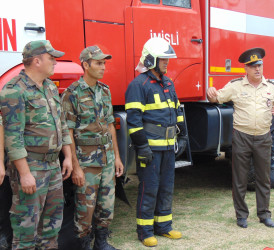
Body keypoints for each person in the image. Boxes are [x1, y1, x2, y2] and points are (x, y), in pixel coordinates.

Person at [0, 40, 73, 249]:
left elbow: (61, 123)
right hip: (31, 167)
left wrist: (67, 156)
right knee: (26, 230)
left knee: (51, 227)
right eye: (52, 58)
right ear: (37, 60)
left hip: (53, 166)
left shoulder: (49, 87)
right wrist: (24, 174)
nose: (55, 63)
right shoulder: (14, 90)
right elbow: (13, 137)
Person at [207, 48, 274, 229]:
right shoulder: (236, 86)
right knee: (240, 178)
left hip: (263, 138)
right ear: (246, 69)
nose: (257, 69)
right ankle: (241, 216)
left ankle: (264, 214)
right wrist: (210, 93)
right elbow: (216, 98)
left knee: (264, 178)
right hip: (242, 137)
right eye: (253, 66)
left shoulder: (271, 88)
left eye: (259, 65)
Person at [125, 37, 187, 247]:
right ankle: (145, 231)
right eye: (163, 59)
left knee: (166, 187)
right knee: (149, 188)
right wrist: (142, 147)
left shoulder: (168, 83)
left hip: (168, 147)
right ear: (151, 60)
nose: (167, 63)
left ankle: (164, 227)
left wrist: (184, 137)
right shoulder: (138, 85)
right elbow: (133, 121)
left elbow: (178, 111)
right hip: (150, 149)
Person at [61, 45, 124, 250]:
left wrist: (116, 157)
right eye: (98, 63)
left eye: (104, 63)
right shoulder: (72, 94)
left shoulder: (105, 91)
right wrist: (76, 167)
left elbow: (109, 126)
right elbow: (67, 133)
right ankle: (85, 245)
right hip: (86, 162)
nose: (103, 67)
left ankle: (102, 243)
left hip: (106, 159)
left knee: (106, 205)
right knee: (85, 209)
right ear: (86, 65)